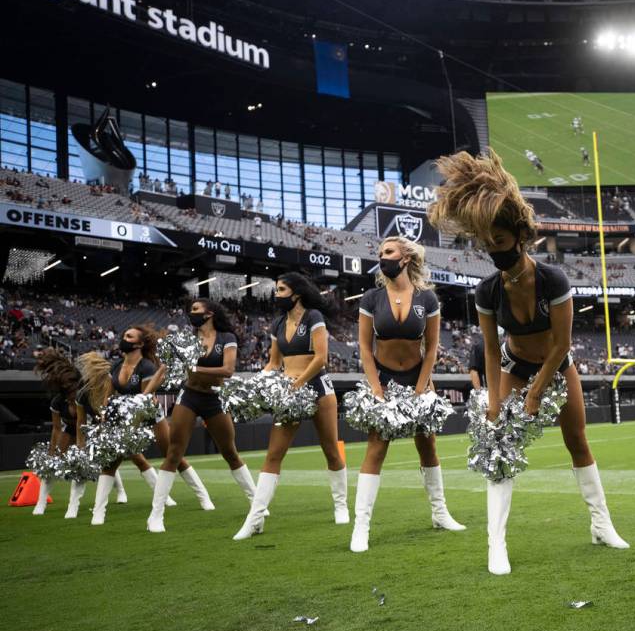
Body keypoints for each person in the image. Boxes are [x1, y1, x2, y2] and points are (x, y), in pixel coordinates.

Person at [429, 150, 628, 575]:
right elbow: (488, 346)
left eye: (499, 242)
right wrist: (494, 400)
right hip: (513, 366)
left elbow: (561, 343)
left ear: (519, 236)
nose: (493, 251)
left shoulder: (553, 280)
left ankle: (602, 525)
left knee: (578, 443)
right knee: (501, 448)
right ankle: (495, 546)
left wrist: (538, 391)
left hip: (557, 368)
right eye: (487, 245)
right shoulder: (487, 291)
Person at [349, 236, 465, 553]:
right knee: (376, 448)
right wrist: (375, 387)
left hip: (418, 379)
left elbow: (431, 349)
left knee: (428, 447)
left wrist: (420, 388)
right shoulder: (371, 298)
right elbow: (363, 346)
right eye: (380, 253)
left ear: (405, 258)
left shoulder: (427, 299)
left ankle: (440, 513)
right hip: (384, 380)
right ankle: (361, 527)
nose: (381, 257)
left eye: (388, 252)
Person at [233, 273, 347, 540]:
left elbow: (321, 359)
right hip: (288, 392)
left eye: (281, 289)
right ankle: (255, 519)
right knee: (274, 455)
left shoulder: (313, 317)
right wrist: (256, 384)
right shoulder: (277, 324)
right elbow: (274, 363)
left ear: (295, 293)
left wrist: (298, 384)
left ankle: (341, 506)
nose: (277, 294)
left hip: (317, 387)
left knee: (331, 450)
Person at [147, 300, 260, 533]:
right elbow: (164, 369)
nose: (191, 313)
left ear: (209, 313)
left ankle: (257, 504)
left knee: (230, 452)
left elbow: (228, 370)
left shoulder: (226, 337)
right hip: (189, 396)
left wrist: (195, 369)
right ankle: (155, 515)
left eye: (196, 310)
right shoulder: (186, 340)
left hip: (215, 398)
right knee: (174, 453)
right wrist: (145, 394)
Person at [87, 325, 212, 526]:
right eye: (124, 334)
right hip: (124, 416)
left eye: (129, 336)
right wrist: (104, 415)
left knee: (173, 456)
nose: (123, 338)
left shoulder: (146, 367)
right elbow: (109, 395)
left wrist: (130, 419)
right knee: (110, 463)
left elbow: (146, 399)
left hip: (149, 415)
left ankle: (203, 496)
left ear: (139, 344)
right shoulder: (117, 366)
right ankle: (98, 513)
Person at [31, 348, 82, 515]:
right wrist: (52, 453)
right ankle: (41, 503)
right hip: (69, 431)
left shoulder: (85, 398)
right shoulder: (58, 402)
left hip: (87, 431)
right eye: (68, 393)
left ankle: (73, 506)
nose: (71, 395)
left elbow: (87, 425)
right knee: (52, 465)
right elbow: (57, 428)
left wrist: (82, 448)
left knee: (85, 465)